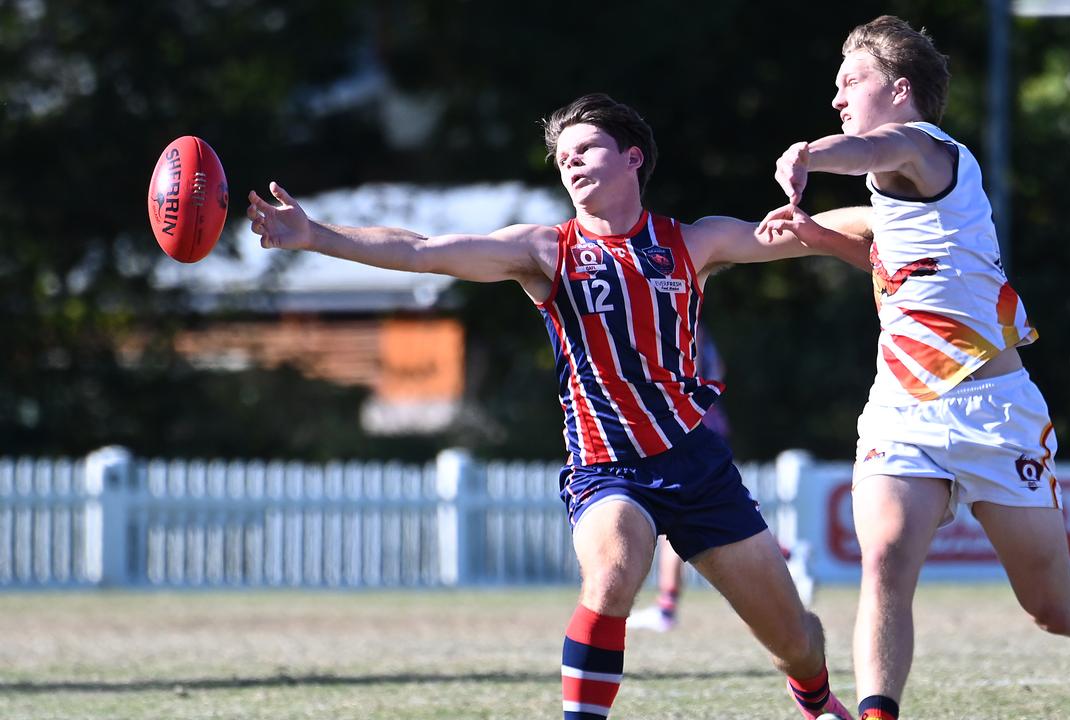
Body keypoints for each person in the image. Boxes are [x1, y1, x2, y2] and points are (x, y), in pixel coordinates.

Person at [247, 93, 870, 720]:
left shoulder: (693, 242)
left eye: (585, 150)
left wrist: (902, 219)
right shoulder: (546, 250)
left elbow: (799, 235)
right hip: (606, 468)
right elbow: (421, 249)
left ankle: (816, 702)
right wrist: (315, 236)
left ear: (632, 158)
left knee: (796, 642)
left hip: (697, 465)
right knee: (612, 576)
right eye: (562, 157)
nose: (570, 164)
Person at [756, 16, 1070, 720]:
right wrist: (820, 237)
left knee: (1050, 605)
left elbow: (867, 146)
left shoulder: (923, 146)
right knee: (885, 561)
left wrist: (807, 152)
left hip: (994, 412)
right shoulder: (892, 191)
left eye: (849, 81)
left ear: (898, 90)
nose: (836, 97)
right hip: (902, 407)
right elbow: (894, 266)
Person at [627, 329, 817, 634]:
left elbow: (684, 369)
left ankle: (790, 556)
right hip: (702, 422)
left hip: (689, 426)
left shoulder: (679, 321)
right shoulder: (692, 320)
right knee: (686, 514)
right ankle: (791, 556)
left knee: (686, 513)